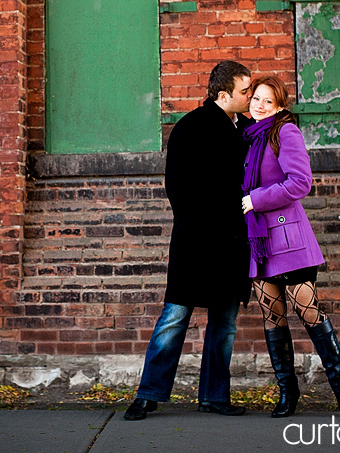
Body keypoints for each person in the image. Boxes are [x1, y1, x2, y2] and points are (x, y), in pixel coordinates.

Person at [124, 61, 253, 421]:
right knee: (175, 316)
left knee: (224, 323)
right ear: (223, 94)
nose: (250, 96)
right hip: (196, 241)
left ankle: (214, 396)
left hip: (233, 242)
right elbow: (176, 188)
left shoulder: (248, 129)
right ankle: (148, 394)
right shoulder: (191, 127)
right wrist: (203, 228)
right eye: (245, 91)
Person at [240, 75, 340, 418]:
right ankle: (287, 394)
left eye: (268, 102)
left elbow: (300, 183)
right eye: (256, 99)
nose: (260, 106)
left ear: (280, 107)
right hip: (258, 242)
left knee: (308, 312)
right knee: (273, 317)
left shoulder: (284, 132)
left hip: (288, 238)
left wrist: (253, 200)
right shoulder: (247, 138)